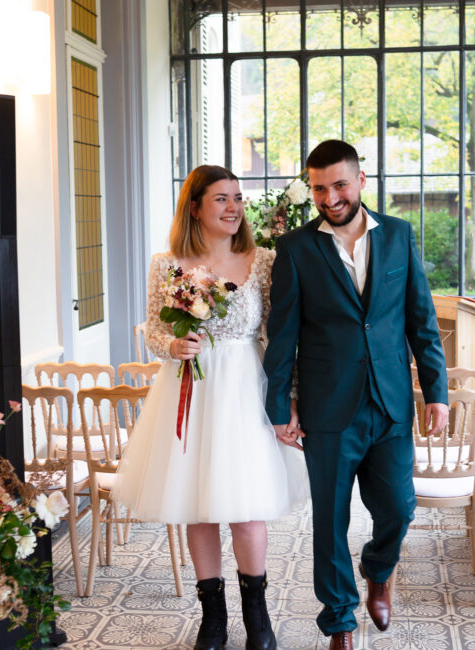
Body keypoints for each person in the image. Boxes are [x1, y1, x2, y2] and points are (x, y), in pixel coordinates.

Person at [263, 140, 449, 649]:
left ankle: (378, 568)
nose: (330, 198)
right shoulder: (296, 249)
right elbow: (283, 336)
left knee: (399, 508)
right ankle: (339, 621)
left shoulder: (398, 235)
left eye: (340, 185)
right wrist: (279, 407)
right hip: (327, 407)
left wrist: (436, 391)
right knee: (330, 519)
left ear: (361, 180)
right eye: (319, 188)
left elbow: (421, 320)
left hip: (390, 403)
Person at [112, 165, 306, 650]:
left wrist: (289, 397)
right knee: (198, 506)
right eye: (221, 198)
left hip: (245, 392)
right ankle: (212, 619)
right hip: (190, 392)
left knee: (247, 508)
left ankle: (258, 618)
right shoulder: (166, 264)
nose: (234, 207)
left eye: (237, 197)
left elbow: (279, 335)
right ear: (195, 207)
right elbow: (155, 330)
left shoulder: (263, 260)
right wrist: (171, 346)